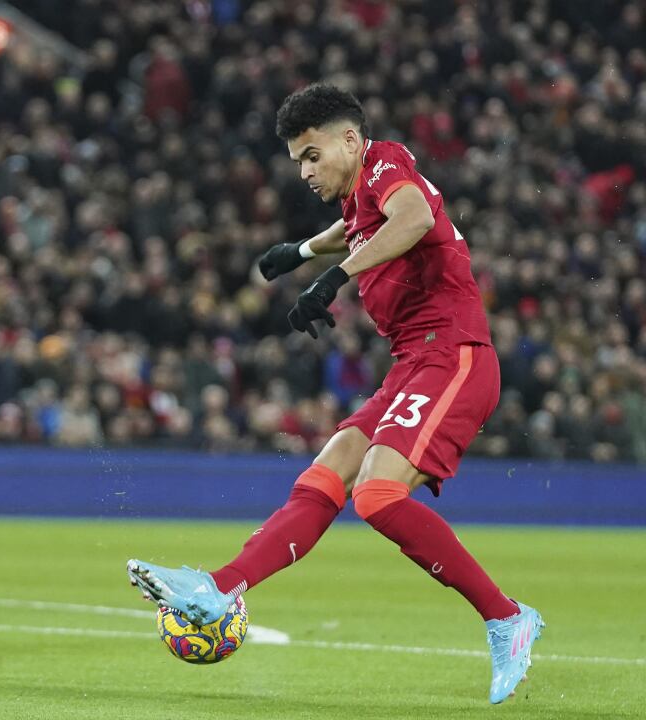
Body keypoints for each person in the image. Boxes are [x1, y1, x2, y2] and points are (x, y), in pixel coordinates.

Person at [127, 84, 543, 704]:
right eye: (298, 159)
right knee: (324, 478)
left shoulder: (387, 163)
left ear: (350, 141)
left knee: (375, 496)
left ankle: (506, 617)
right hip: (411, 365)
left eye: (312, 155)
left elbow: (414, 218)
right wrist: (296, 252)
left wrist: (332, 279)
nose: (304, 170)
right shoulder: (358, 200)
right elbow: (347, 230)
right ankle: (219, 586)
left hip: (453, 355)